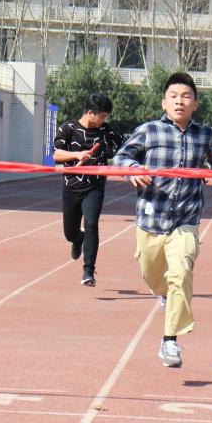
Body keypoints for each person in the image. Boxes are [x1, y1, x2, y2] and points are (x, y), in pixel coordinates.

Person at [114, 72, 212, 368]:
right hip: (151, 218)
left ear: (195, 104)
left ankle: (170, 341)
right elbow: (121, 157)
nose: (180, 101)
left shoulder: (204, 135)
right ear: (163, 102)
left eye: (186, 96)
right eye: (174, 96)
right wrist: (133, 169)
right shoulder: (149, 131)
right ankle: (163, 293)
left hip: (186, 218)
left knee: (181, 272)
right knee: (152, 275)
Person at [53, 92, 123, 286]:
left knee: (91, 223)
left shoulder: (105, 131)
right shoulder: (68, 128)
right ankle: (78, 239)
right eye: (102, 116)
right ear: (91, 113)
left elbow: (125, 147)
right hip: (72, 186)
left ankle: (88, 272)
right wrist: (77, 155)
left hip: (95, 186)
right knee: (70, 233)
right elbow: (56, 155)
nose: (104, 120)